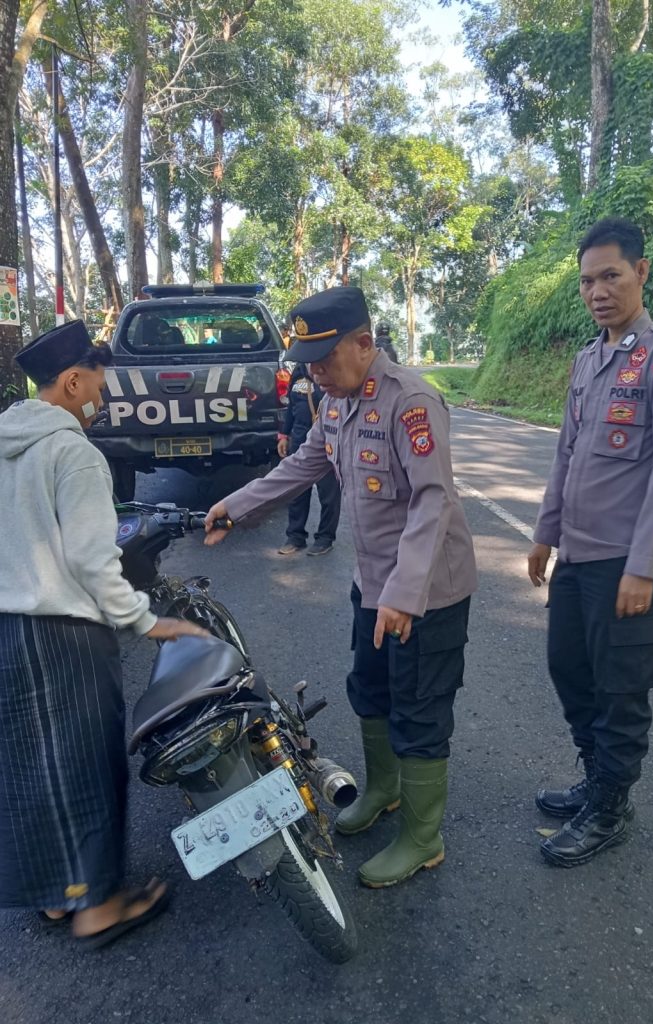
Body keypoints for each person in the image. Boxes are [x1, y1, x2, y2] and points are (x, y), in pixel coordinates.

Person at [205, 286, 477, 888]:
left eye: (324, 358)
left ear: (364, 342)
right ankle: (383, 790)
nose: (314, 371)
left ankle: (423, 836)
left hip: (426, 591)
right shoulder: (335, 402)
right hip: (373, 584)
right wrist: (235, 505)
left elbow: (434, 499)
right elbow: (304, 464)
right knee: (371, 689)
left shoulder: (411, 402)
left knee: (420, 710)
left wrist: (406, 593)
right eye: (307, 361)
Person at [0, 321, 206, 947]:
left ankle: (60, 897)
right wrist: (144, 619)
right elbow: (95, 560)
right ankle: (95, 908)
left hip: (8, 631)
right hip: (64, 633)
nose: (104, 397)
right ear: (71, 381)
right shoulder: (72, 452)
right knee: (86, 764)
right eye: (99, 383)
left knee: (29, 766)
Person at [527, 217, 653, 867]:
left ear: (641, 272)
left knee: (620, 689)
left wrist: (643, 564)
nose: (597, 291)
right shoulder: (588, 360)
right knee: (567, 668)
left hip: (627, 564)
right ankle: (596, 778)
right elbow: (565, 454)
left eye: (610, 275)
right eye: (586, 281)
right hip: (576, 553)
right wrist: (544, 534)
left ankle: (610, 807)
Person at [277, 362, 341, 556]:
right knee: (296, 492)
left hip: (325, 441)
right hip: (298, 439)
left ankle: (325, 538)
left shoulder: (330, 373)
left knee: (328, 495)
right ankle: (295, 537)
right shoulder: (297, 374)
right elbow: (290, 407)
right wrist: (283, 435)